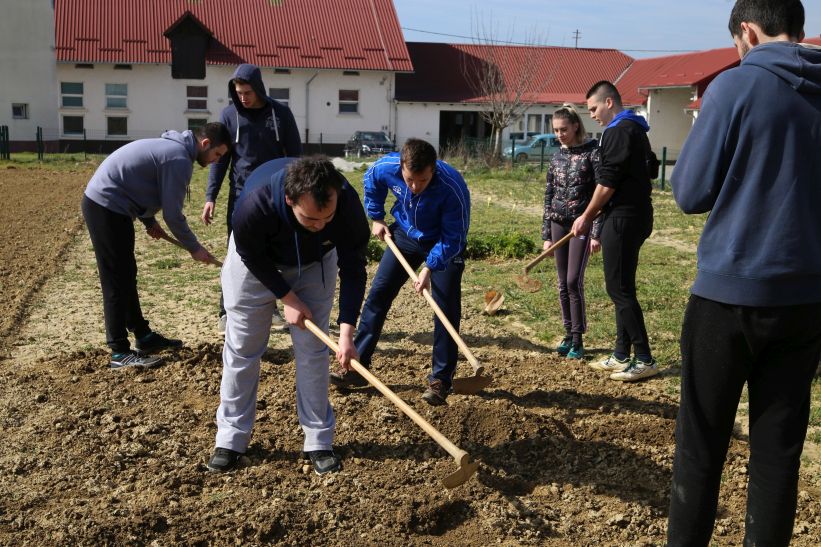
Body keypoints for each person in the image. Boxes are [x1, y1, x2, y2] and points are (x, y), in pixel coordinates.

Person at [666, 1, 821, 543]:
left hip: (728, 298)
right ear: (799, 29)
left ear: (748, 32)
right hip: (805, 302)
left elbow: (688, 193)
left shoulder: (735, 85)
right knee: (778, 454)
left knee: (701, 446)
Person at [207, 156, 370, 475]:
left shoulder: (346, 204)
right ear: (289, 200)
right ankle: (230, 438)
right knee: (243, 348)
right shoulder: (254, 206)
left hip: (315, 264)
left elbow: (353, 267)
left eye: (328, 217)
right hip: (254, 263)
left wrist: (347, 333)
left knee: (313, 350)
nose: (321, 226)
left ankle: (318, 441)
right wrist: (287, 297)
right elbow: (251, 254)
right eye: (311, 219)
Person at [330, 138, 471, 406]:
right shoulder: (387, 167)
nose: (415, 187)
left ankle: (440, 379)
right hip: (404, 235)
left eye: (422, 180)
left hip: (442, 242)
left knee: (445, 308)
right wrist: (377, 217)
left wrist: (430, 266)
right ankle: (357, 366)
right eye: (409, 180)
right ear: (402, 167)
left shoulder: (453, 188)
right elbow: (371, 178)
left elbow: (455, 237)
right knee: (378, 296)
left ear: (433, 170)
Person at [82, 123, 231, 369]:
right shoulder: (178, 159)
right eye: (217, 154)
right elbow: (173, 215)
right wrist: (195, 248)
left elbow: (138, 181)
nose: (216, 161)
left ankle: (143, 335)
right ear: (205, 144)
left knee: (127, 273)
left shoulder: (173, 150)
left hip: (114, 206)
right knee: (116, 279)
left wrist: (148, 220)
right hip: (105, 206)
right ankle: (119, 352)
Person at [201, 63, 302, 333]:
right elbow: (220, 161)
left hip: (275, 197)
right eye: (238, 92)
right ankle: (227, 311)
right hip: (241, 197)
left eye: (247, 91)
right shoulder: (229, 115)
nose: (243, 97)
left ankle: (271, 309)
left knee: (271, 253)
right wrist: (211, 196)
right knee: (237, 253)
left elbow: (295, 155)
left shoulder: (280, 114)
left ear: (258, 88)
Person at [571, 80, 657, 382]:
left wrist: (585, 216)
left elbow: (607, 183)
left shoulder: (619, 131)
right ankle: (621, 353)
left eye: (593, 108)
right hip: (633, 215)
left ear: (609, 102)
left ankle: (644, 358)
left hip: (623, 217)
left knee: (619, 289)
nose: (591, 114)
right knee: (621, 286)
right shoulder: (635, 127)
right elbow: (651, 169)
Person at [542, 104, 602, 360]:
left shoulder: (592, 153)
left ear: (576, 126)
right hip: (557, 223)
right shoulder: (556, 157)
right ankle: (567, 334)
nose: (559, 135)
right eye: (556, 130)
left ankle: (578, 339)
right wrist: (546, 234)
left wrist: (596, 232)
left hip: (581, 225)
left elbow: (601, 194)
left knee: (572, 280)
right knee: (561, 282)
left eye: (563, 129)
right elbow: (549, 194)